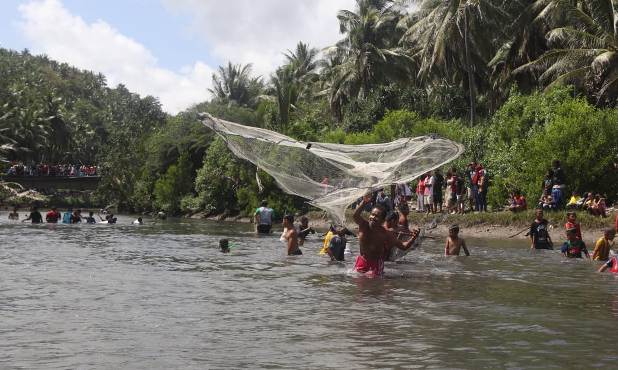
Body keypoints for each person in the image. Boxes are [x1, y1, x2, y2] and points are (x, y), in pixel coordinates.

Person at [352, 194, 419, 277]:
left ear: (382, 220)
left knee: (374, 283)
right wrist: (364, 202)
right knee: (359, 284)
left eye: (376, 216)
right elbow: (355, 216)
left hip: (376, 264)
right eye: (372, 214)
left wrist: (413, 238)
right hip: (362, 260)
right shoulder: (363, 225)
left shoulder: (386, 234)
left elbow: (403, 246)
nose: (373, 217)